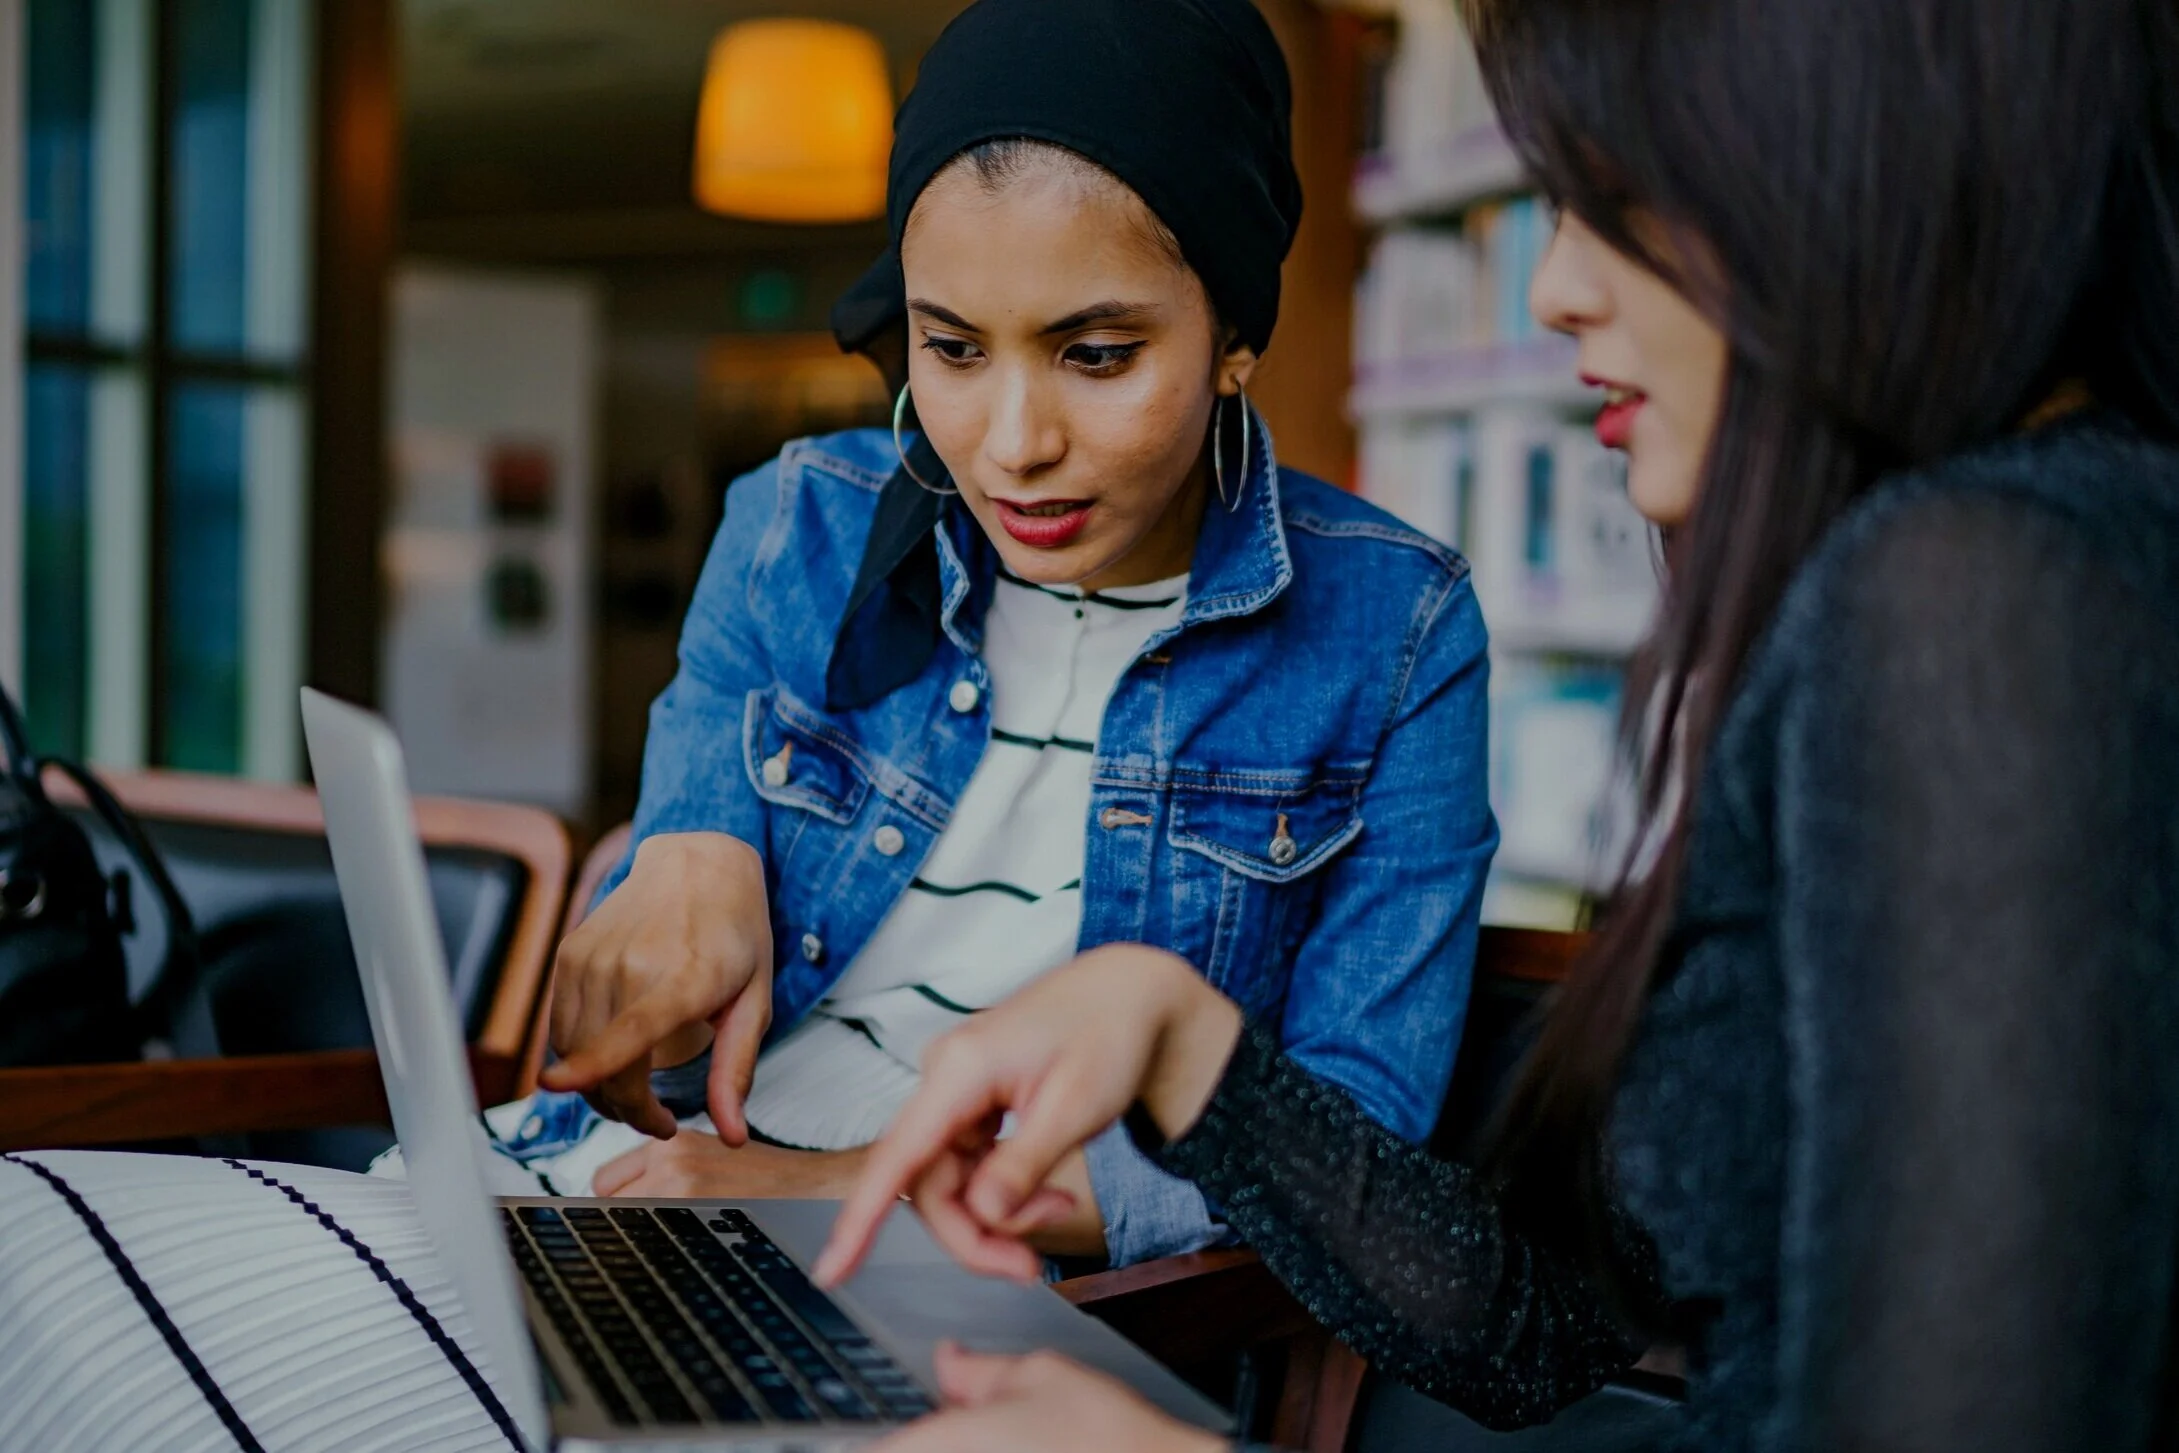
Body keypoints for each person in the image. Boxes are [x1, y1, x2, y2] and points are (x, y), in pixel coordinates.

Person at [817, 0, 2179, 1446]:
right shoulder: (1999, 567)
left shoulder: (1979, 593)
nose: (1556, 290)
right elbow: (1537, 1331)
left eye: (1613, 199)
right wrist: (1187, 1051)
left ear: (1856, 167)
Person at [506, 0, 1497, 1273]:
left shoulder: (1397, 633)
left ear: (1235, 336)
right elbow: (676, 911)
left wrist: (830, 1187)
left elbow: (1345, 1143)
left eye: (1095, 354)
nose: (1013, 443)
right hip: (635, 1183)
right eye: (954, 350)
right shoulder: (797, 521)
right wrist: (681, 859)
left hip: (977, 1282)